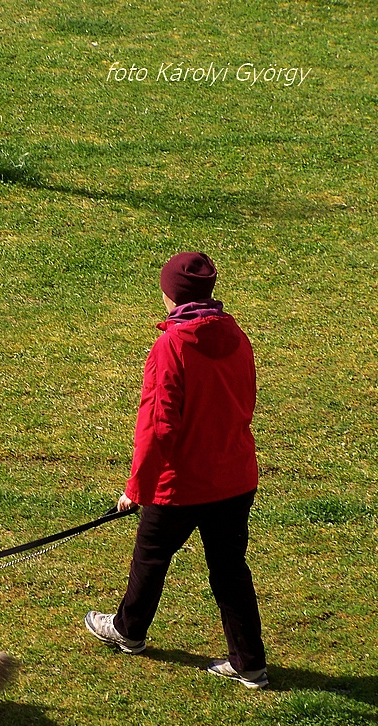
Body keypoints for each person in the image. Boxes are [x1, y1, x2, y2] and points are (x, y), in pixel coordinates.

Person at [85, 251, 267, 688]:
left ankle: (129, 631)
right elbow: (247, 401)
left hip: (182, 482)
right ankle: (250, 663)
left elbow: (156, 427)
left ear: (172, 295)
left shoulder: (171, 347)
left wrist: (138, 488)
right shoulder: (237, 336)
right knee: (230, 570)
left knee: (150, 555)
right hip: (234, 475)